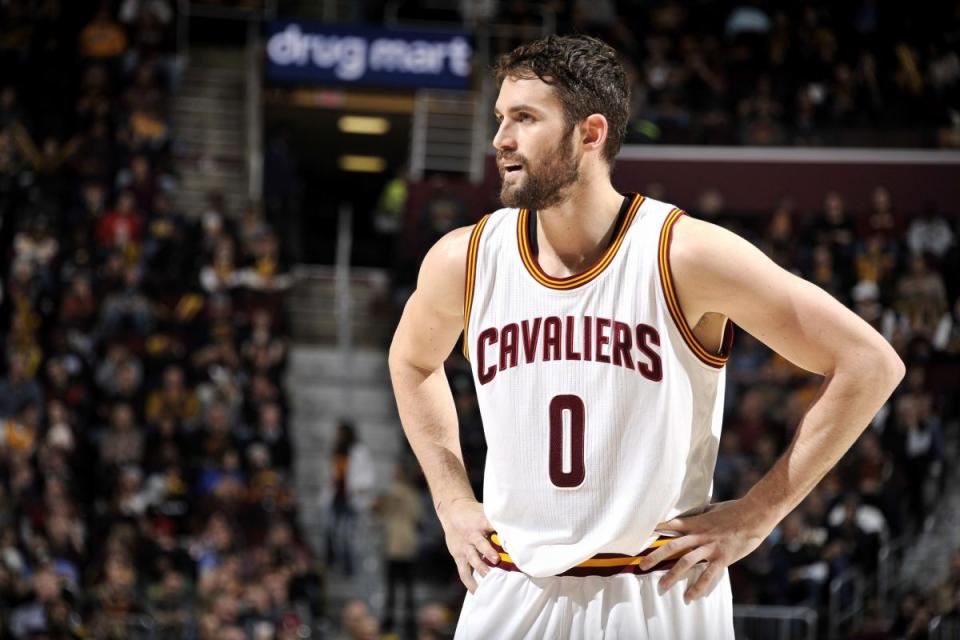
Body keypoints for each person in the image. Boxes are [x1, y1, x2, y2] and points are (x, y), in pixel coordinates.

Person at [388, 35, 905, 639]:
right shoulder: (466, 258)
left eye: (525, 119)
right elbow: (412, 362)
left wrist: (759, 513)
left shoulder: (684, 253)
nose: (500, 139)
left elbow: (869, 363)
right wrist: (452, 501)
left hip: (654, 591)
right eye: (501, 119)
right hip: (510, 583)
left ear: (590, 132)